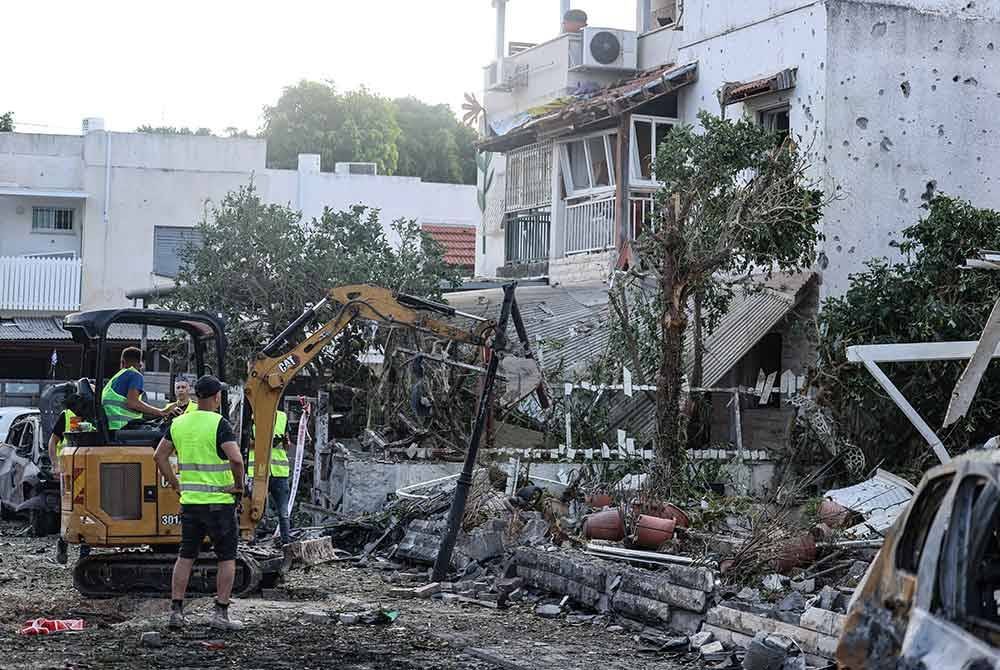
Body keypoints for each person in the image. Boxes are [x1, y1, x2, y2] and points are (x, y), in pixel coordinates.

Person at [153, 375, 245, 631]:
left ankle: (176, 612)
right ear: (216, 397)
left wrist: (174, 483)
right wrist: (239, 486)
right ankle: (221, 614)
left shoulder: (179, 423)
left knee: (186, 555)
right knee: (226, 557)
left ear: (196, 396)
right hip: (219, 503)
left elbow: (159, 456)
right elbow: (236, 460)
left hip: (191, 503)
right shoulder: (219, 424)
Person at [101, 347, 178, 431]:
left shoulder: (116, 378)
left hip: (114, 427)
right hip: (125, 428)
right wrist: (162, 412)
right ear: (141, 363)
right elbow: (132, 403)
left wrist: (160, 412)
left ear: (122, 362)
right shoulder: (134, 375)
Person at [248, 408, 292, 545]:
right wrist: (265, 442)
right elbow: (246, 443)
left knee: (283, 512)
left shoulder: (283, 417)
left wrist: (283, 441)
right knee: (256, 510)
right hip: (259, 472)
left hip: (279, 472)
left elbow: (287, 444)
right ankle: (252, 542)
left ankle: (286, 543)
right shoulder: (252, 417)